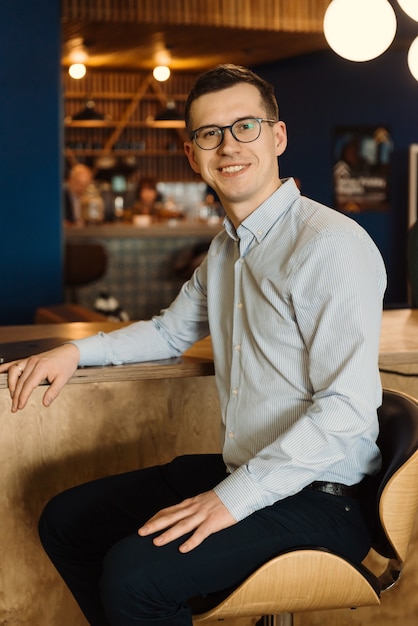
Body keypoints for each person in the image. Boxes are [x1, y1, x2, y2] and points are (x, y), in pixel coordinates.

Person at [0, 64, 386, 626]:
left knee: (136, 579)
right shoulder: (228, 248)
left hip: (325, 494)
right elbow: (169, 331)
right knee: (67, 522)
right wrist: (74, 352)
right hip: (249, 467)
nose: (229, 145)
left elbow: (346, 415)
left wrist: (229, 499)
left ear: (277, 136)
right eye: (211, 133)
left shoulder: (329, 246)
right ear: (192, 154)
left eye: (245, 126)